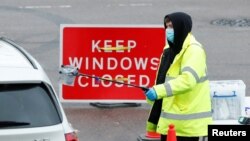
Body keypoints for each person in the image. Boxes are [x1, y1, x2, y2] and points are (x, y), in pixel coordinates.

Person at [145, 12, 212, 141]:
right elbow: (164, 78)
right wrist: (153, 91)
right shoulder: (169, 49)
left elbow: (188, 80)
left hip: (187, 125)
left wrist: (158, 91)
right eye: (167, 27)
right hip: (170, 122)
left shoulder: (194, 50)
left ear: (182, 27)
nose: (168, 30)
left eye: (172, 26)